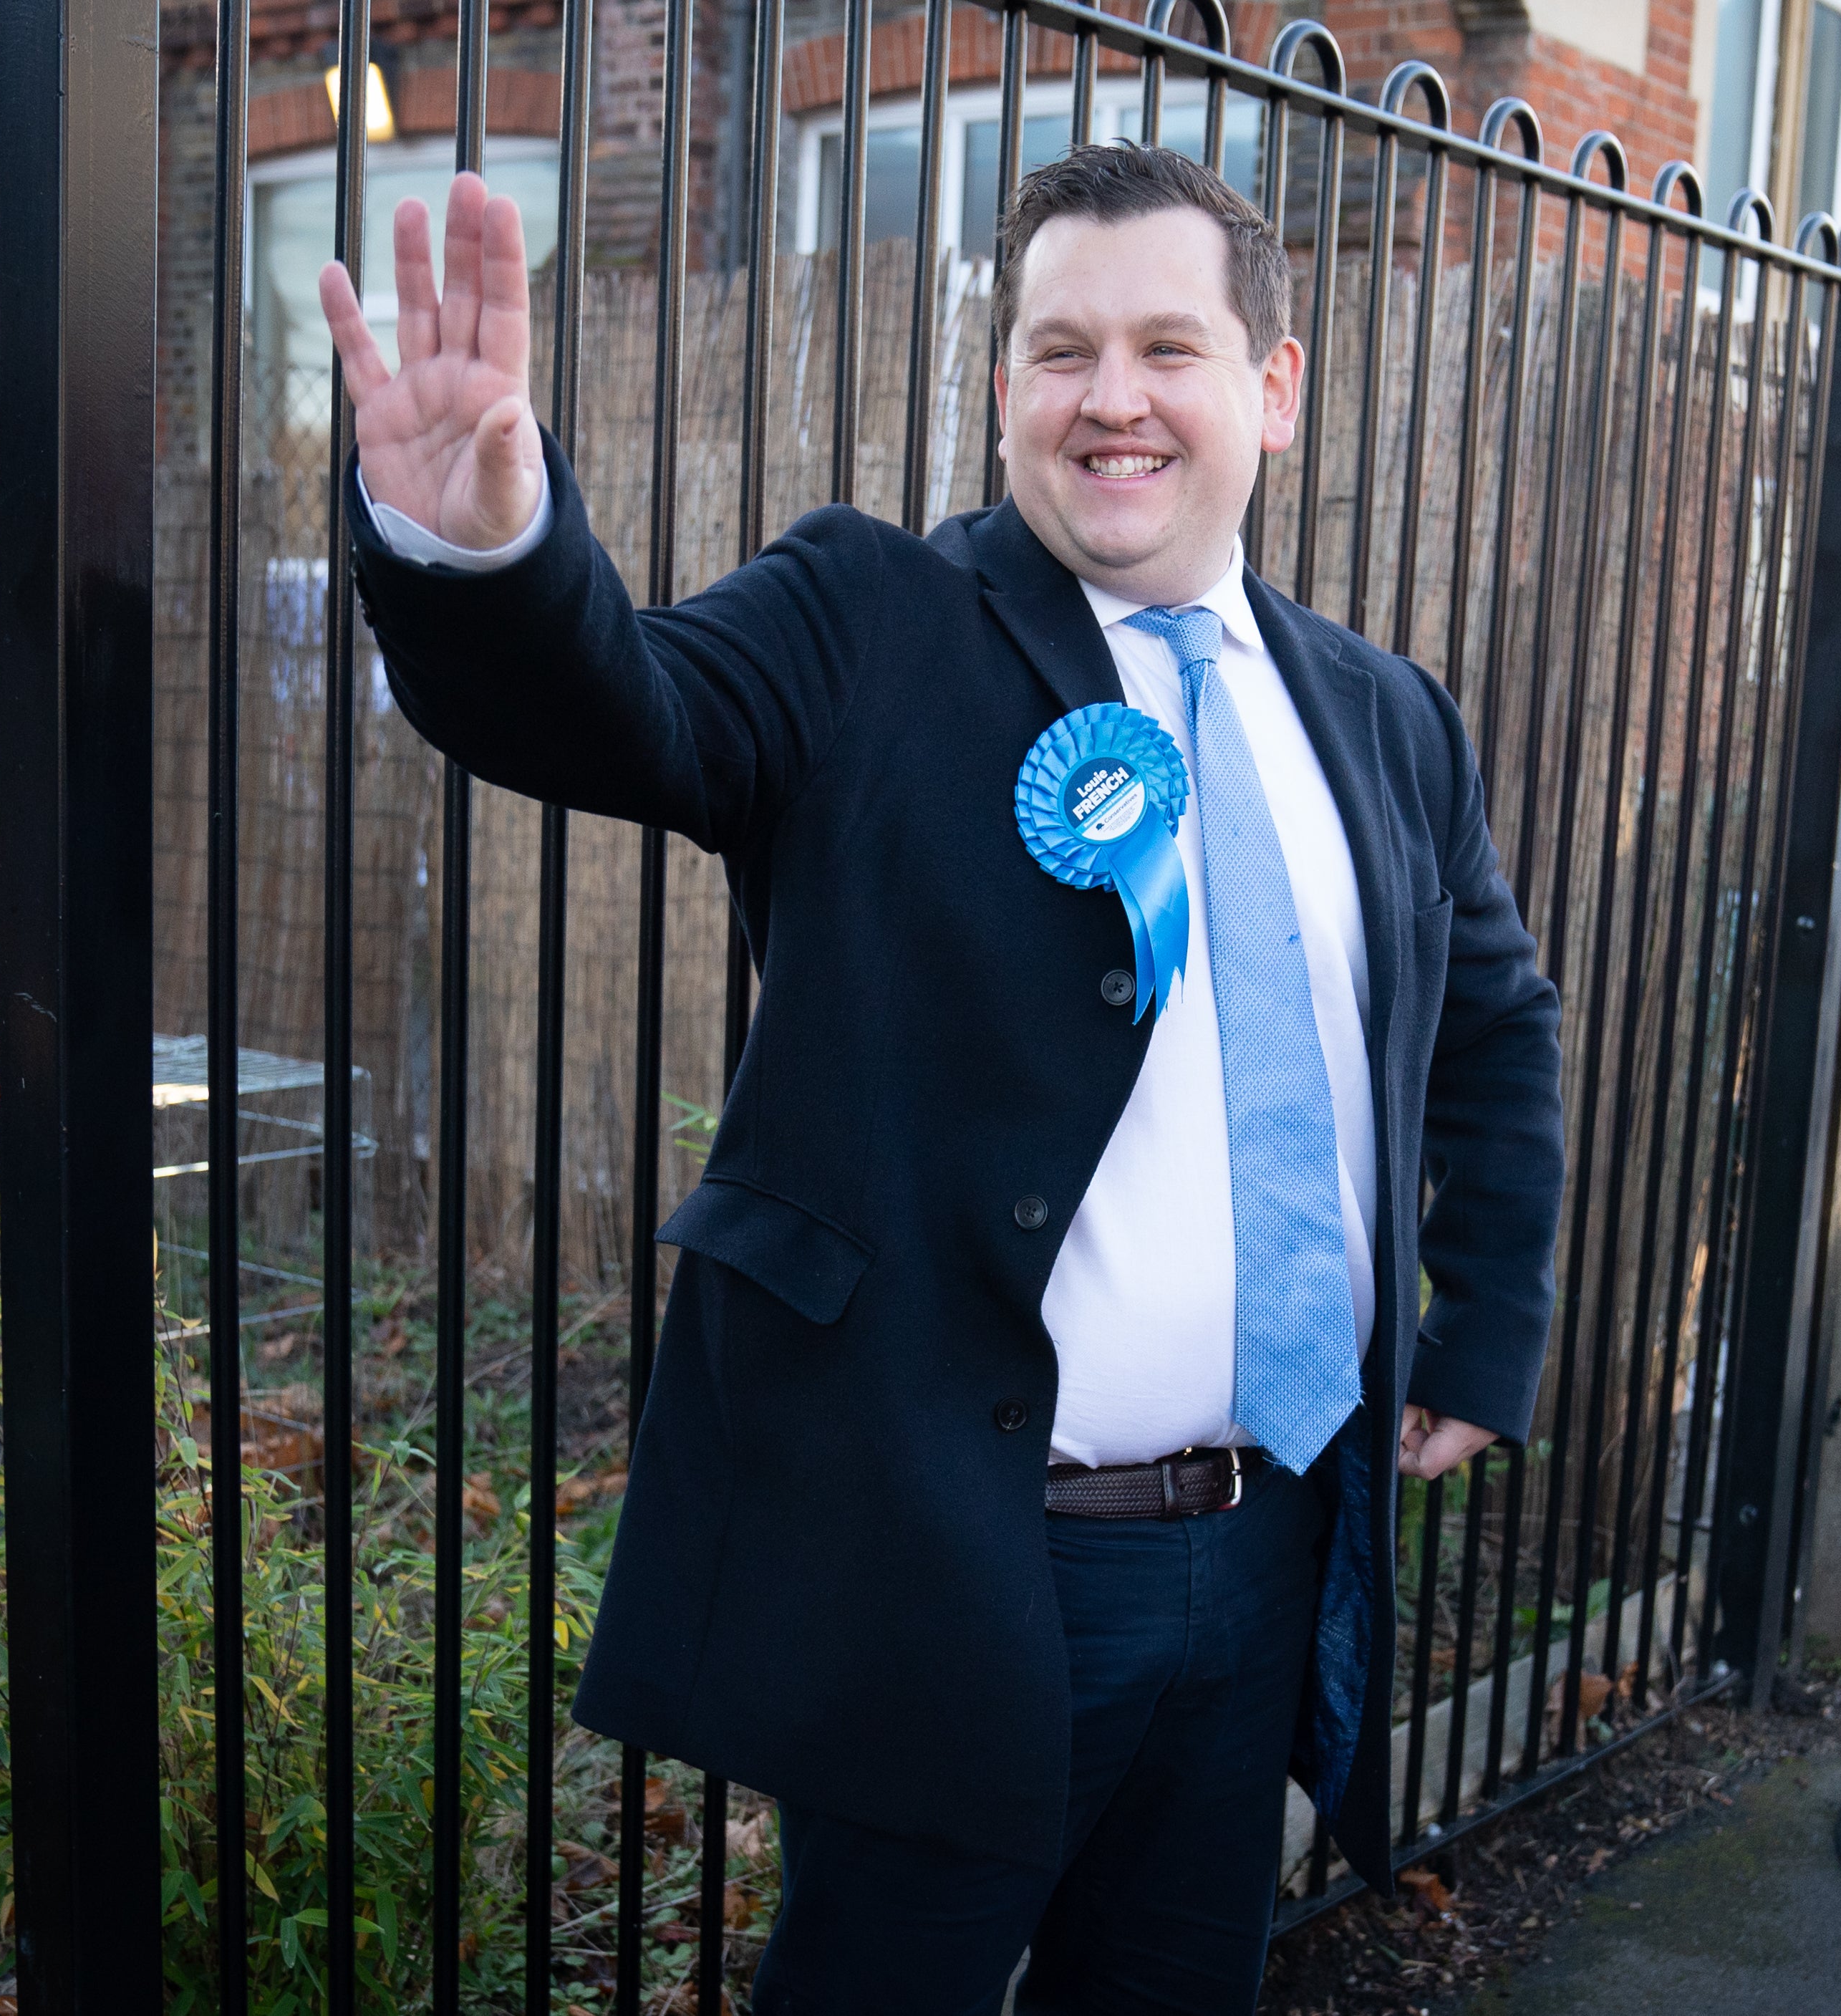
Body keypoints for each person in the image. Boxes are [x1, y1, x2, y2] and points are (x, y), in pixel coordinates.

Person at [324, 142, 1565, 2013]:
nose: (1113, 398)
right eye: (1060, 351)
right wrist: (481, 549)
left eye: (1168, 344)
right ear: (1004, 393)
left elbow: (1494, 1025)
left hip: (1275, 1535)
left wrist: (1484, 1336)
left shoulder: (1382, 718)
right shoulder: (868, 619)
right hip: (963, 1567)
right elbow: (628, 708)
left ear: (1274, 389)